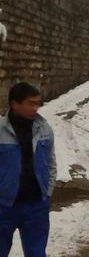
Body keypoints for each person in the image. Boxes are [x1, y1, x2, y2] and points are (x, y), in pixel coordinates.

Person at [0, 82, 57, 257]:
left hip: (36, 207)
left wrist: (47, 192)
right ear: (15, 104)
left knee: (36, 253)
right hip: (4, 206)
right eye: (31, 103)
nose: (36, 108)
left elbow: (51, 163)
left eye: (38, 103)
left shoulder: (44, 129)